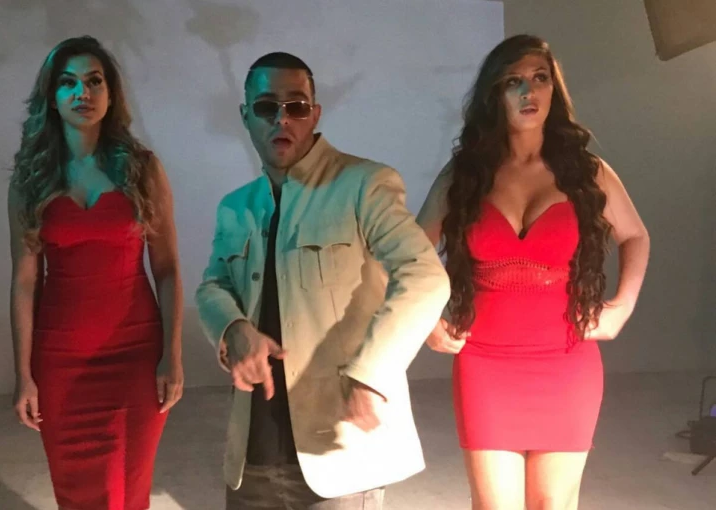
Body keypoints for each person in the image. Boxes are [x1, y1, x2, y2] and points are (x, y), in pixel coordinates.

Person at [195, 52, 450, 509]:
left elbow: (425, 275)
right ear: (246, 115)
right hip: (252, 459)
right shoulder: (236, 206)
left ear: (314, 114)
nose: (281, 119)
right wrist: (233, 328)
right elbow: (213, 285)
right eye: (266, 107)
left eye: (295, 106)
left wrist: (372, 374)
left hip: (340, 455)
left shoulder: (363, 184)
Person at [417, 35, 650, 510]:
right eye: (513, 82)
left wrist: (621, 307)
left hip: (566, 360)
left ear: (553, 90)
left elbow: (635, 236)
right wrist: (425, 322)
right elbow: (408, 252)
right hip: (484, 363)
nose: (529, 91)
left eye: (540, 79)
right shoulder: (466, 174)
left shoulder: (586, 171)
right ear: (494, 95)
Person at [8, 36, 184, 510]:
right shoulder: (31, 179)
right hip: (59, 359)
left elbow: (167, 270)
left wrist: (173, 356)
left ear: (110, 94)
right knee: (78, 492)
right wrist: (23, 374)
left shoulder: (143, 170)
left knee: (128, 489)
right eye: (68, 83)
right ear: (52, 97)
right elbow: (24, 282)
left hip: (135, 354)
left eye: (93, 81)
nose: (82, 92)